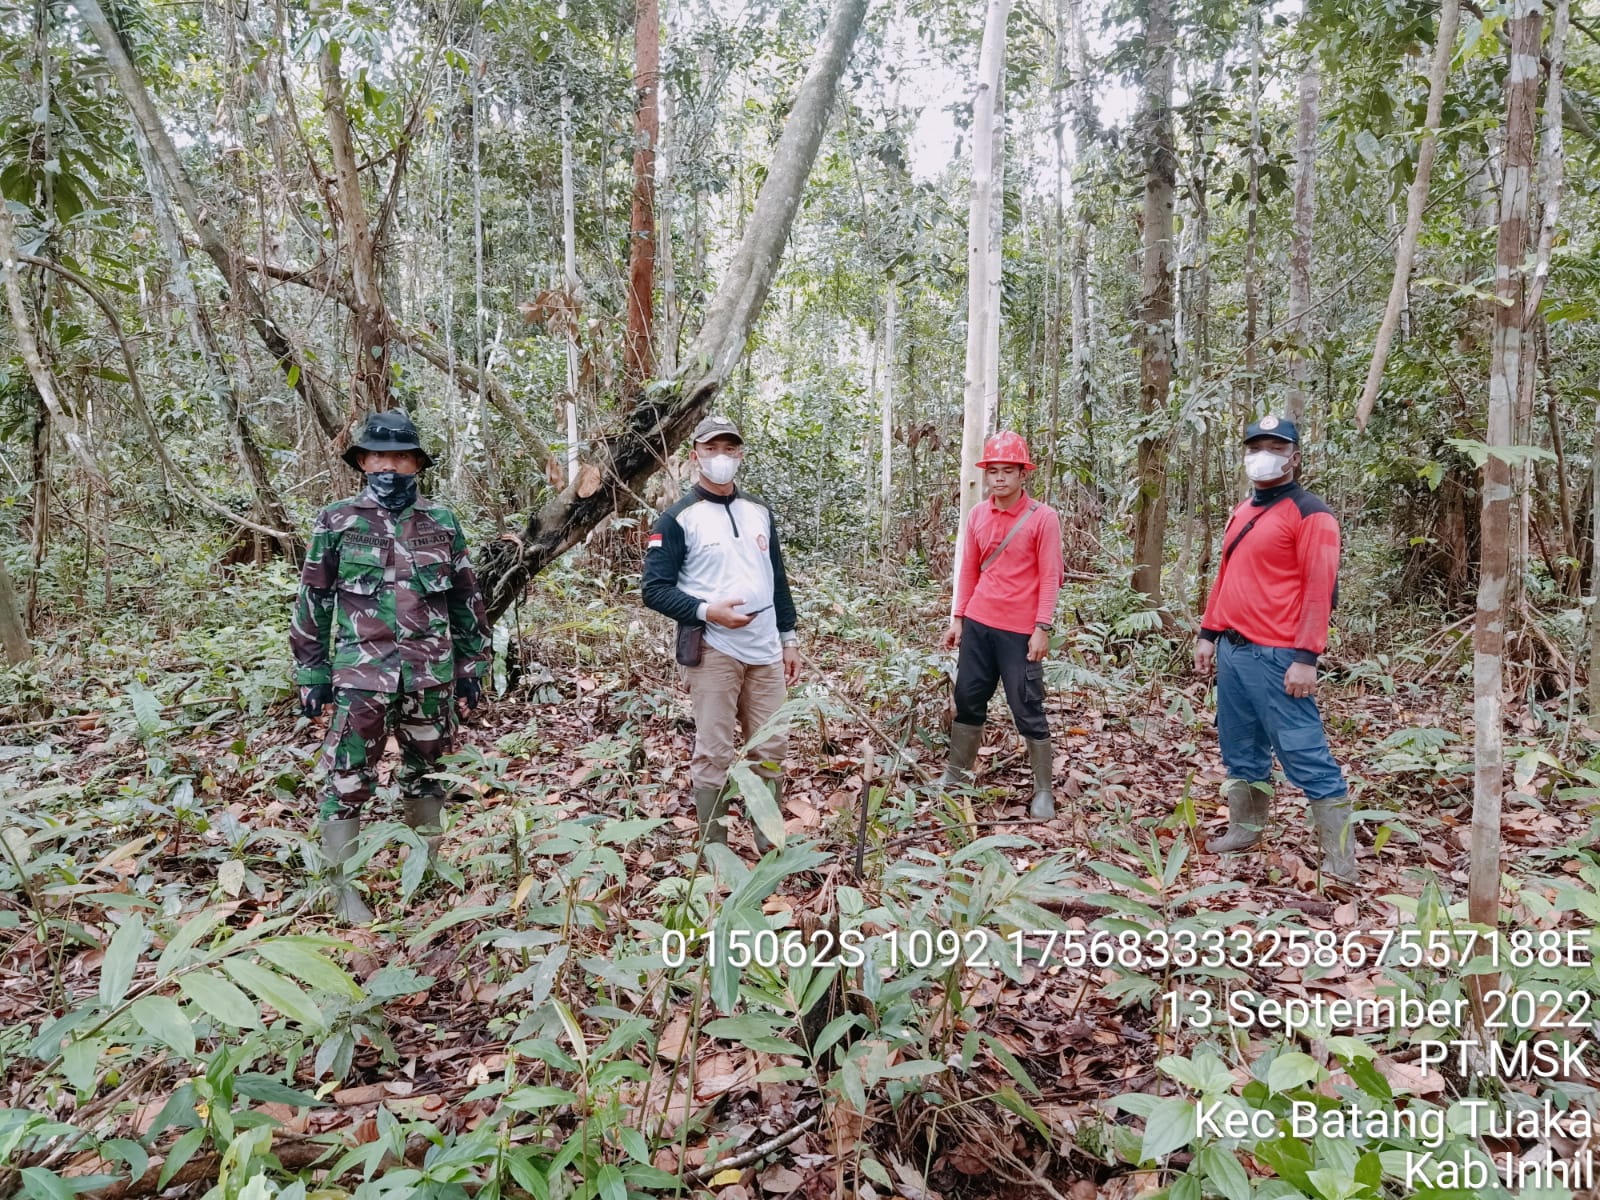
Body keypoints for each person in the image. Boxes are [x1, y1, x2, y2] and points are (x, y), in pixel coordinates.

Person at [289, 411, 491, 921]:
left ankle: (425, 869)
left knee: (428, 773)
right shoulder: (337, 521)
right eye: (379, 456)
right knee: (349, 778)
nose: (390, 467)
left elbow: (466, 598)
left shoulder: (441, 523)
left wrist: (472, 665)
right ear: (362, 461)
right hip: (361, 676)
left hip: (429, 674)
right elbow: (314, 598)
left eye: (401, 457)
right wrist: (311, 673)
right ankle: (343, 888)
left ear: (417, 464)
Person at [1193, 413, 1354, 883]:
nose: (1264, 456)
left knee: (1304, 753)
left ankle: (1340, 860)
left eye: (1277, 447)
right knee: (1241, 750)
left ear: (1295, 457)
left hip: (1280, 655)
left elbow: (1319, 589)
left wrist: (1307, 658)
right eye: (1257, 446)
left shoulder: (1312, 514)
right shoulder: (1243, 511)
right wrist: (1208, 632)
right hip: (1234, 650)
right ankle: (1246, 830)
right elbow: (1226, 576)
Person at [642, 415, 800, 852]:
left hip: (766, 650)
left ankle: (769, 844)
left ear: (741, 455)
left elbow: (777, 579)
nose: (721, 458)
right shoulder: (677, 519)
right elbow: (653, 590)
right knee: (713, 750)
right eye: (712, 449)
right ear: (695, 457)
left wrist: (789, 639)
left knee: (770, 748)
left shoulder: (759, 512)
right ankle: (714, 851)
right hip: (713, 650)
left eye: (730, 449)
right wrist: (707, 611)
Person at [940, 432, 1064, 820]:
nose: (999, 479)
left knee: (1026, 705)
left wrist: (1042, 626)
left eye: (1007, 471)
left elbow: (1050, 576)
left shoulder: (1043, 518)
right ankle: (957, 774)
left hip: (1019, 630)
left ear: (1022, 474)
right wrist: (958, 618)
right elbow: (969, 569)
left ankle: (1043, 790)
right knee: (969, 699)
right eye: (993, 471)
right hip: (979, 623)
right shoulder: (977, 515)